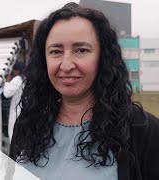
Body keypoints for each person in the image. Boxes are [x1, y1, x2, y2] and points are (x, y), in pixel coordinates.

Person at [9, 3, 159, 180]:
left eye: (81, 50)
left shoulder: (143, 131)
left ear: (103, 57)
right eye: (55, 51)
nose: (66, 65)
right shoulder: (27, 124)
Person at [3, 61, 25, 141]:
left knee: (14, 137)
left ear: (16, 71)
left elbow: (6, 93)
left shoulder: (17, 79)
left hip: (17, 113)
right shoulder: (27, 78)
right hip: (25, 112)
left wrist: (7, 82)